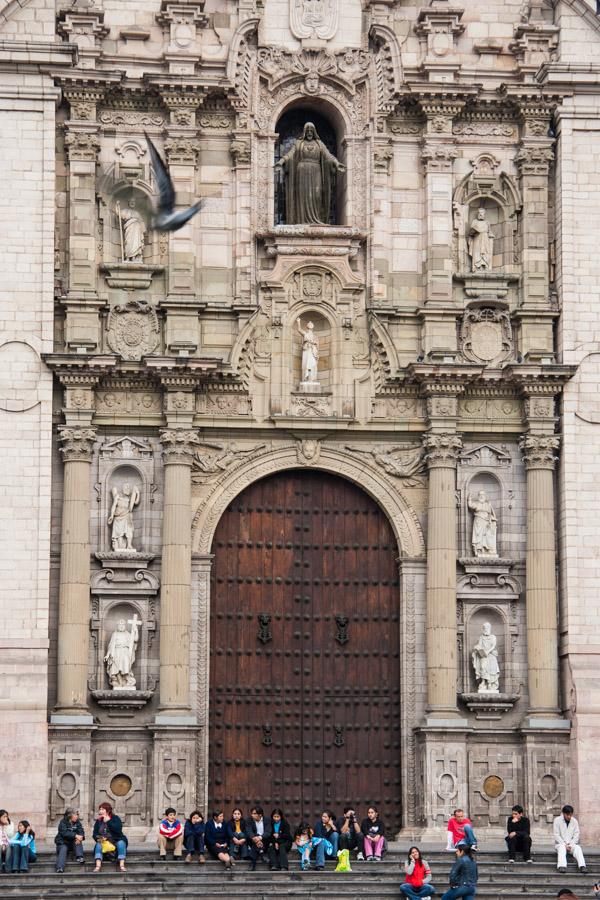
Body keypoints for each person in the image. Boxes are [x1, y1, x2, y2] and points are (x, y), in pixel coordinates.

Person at [92, 801, 127, 873]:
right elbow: (94, 833)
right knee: (98, 845)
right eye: (100, 809)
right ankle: (98, 866)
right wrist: (99, 838)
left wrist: (108, 821)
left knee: (121, 843)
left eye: (102, 809)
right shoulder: (98, 821)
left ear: (108, 811)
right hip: (104, 842)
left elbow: (118, 830)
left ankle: (122, 865)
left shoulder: (115, 818)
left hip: (116, 840)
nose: (100, 811)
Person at [553, 805, 586, 873]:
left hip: (571, 844)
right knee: (562, 847)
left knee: (578, 848)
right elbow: (556, 835)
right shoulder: (557, 820)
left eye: (570, 815)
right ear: (563, 813)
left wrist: (570, 845)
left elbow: (576, 835)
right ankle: (562, 866)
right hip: (560, 844)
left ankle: (582, 866)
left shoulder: (574, 821)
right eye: (567, 815)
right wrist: (565, 845)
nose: (569, 817)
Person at [54, 807, 85, 873]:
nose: (77, 816)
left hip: (72, 843)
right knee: (63, 848)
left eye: (77, 814)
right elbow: (64, 833)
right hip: (62, 843)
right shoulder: (63, 822)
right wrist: (76, 835)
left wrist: (80, 837)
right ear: (70, 815)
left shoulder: (77, 822)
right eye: (76, 814)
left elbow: (81, 831)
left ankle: (80, 857)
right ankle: (60, 867)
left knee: (77, 841)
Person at [245, 806, 271, 870]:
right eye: (252, 813)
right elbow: (249, 832)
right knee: (255, 843)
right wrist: (256, 839)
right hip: (253, 840)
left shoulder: (267, 820)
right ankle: (262, 853)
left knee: (257, 844)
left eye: (254, 813)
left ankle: (252, 864)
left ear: (260, 814)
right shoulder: (249, 820)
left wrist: (260, 838)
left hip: (264, 840)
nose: (252, 815)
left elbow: (268, 832)